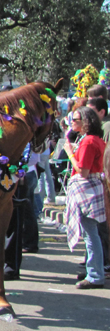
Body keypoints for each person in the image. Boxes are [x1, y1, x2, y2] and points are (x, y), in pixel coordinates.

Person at [64, 106, 106, 289]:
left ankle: (95, 275)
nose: (71, 122)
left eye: (75, 119)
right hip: (93, 187)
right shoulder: (93, 139)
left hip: (87, 189)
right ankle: (93, 270)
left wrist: (69, 152)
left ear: (86, 122)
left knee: (91, 234)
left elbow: (83, 170)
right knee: (93, 233)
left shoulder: (88, 141)